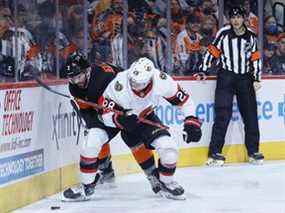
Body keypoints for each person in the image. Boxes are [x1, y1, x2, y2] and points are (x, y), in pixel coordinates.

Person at [62, 52, 161, 201]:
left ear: (87, 71)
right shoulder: (74, 87)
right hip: (106, 113)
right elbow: (87, 111)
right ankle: (91, 182)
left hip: (126, 107)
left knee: (132, 139)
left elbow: (128, 92)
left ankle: (153, 175)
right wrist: (94, 124)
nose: (76, 81)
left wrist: (123, 115)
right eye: (72, 78)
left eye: (78, 77)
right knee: (93, 138)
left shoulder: (104, 77)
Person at [100, 57, 202, 199]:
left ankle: (167, 183)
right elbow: (104, 114)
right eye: (132, 81)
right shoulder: (119, 82)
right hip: (124, 122)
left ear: (149, 80)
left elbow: (185, 101)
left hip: (146, 117)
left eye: (138, 83)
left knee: (170, 150)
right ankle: (151, 176)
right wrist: (120, 120)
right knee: (97, 139)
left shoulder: (162, 80)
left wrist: (191, 120)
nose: (134, 85)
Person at [198, 6, 264, 166]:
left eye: (239, 17)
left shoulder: (251, 36)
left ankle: (253, 152)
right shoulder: (224, 33)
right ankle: (214, 152)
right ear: (230, 19)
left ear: (243, 18)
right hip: (226, 77)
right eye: (233, 18)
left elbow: (255, 57)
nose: (236, 20)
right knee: (222, 114)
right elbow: (213, 51)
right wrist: (203, 69)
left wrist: (256, 78)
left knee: (250, 116)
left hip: (245, 79)